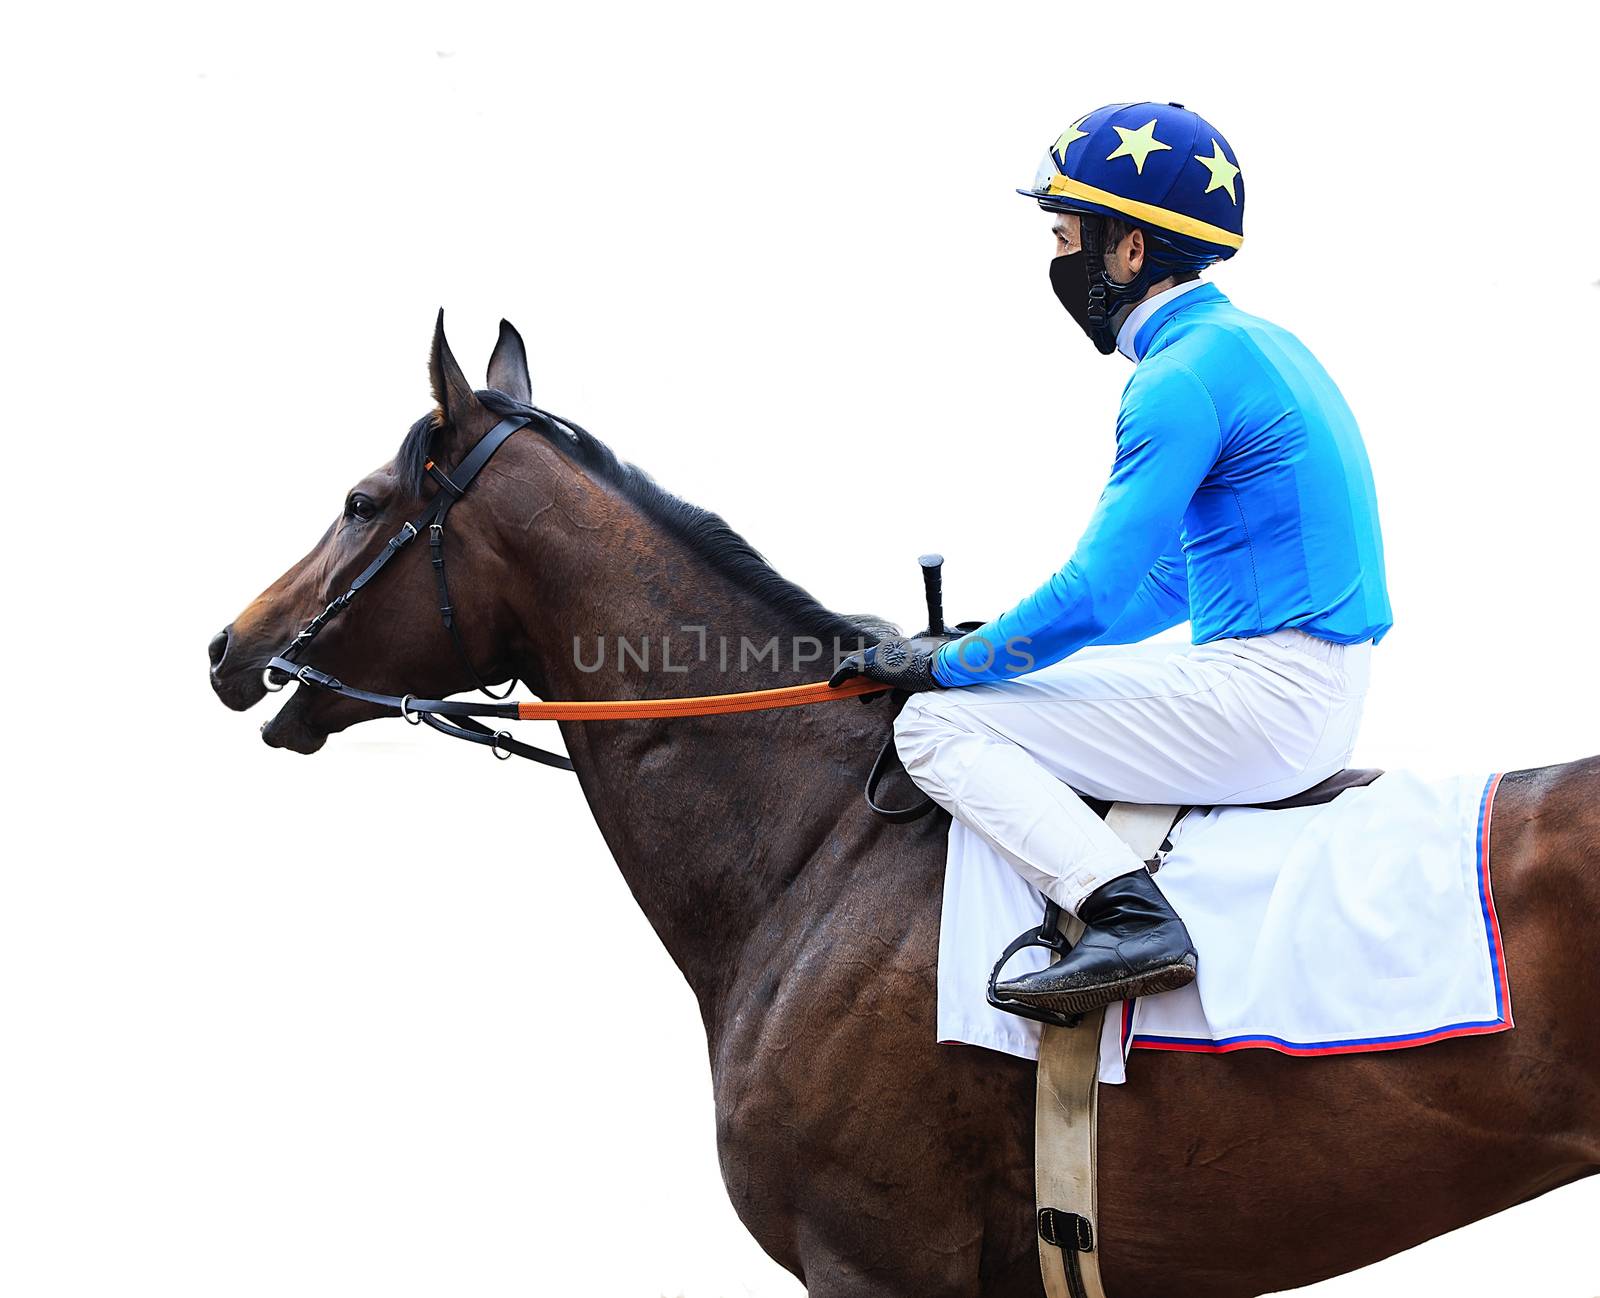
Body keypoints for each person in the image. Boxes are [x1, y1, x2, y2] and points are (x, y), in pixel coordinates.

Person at [831, 102, 1392, 1017]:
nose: (1057, 261)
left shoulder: (1176, 380)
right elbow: (1167, 582)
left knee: (934, 725)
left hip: (1269, 701)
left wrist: (946, 663)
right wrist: (991, 641)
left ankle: (1127, 916)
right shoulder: (1254, 347)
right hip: (1310, 687)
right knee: (987, 687)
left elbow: (1093, 597)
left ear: (1128, 249)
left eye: (1065, 236)